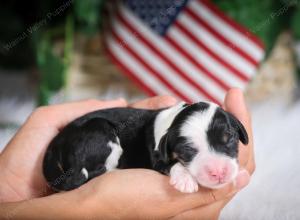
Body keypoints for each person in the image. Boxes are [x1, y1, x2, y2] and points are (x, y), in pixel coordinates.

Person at [0, 88, 255, 220]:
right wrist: (79, 209)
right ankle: (82, 176)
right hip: (89, 138)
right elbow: (159, 162)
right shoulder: (161, 142)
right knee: (103, 138)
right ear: (168, 145)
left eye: (228, 142)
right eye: (190, 151)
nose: (218, 168)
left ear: (238, 132)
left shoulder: (169, 135)